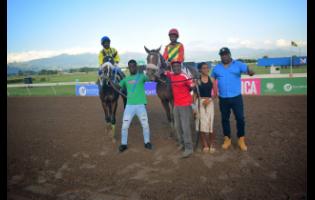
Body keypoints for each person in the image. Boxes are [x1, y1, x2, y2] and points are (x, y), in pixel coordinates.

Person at [211, 47, 255, 151]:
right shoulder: (217, 68)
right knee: (224, 119)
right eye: (222, 55)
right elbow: (212, 79)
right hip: (223, 99)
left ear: (230, 54)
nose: (224, 56)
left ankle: (241, 139)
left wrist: (250, 71)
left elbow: (248, 70)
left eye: (226, 54)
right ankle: (227, 139)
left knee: (240, 118)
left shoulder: (238, 64)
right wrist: (215, 91)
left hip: (236, 98)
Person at [118, 60, 152, 152]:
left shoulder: (142, 77)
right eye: (130, 66)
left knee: (145, 125)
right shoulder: (126, 79)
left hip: (141, 106)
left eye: (133, 66)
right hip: (129, 106)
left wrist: (149, 69)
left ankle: (147, 142)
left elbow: (150, 78)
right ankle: (123, 144)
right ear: (128, 68)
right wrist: (109, 81)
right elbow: (117, 86)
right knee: (125, 126)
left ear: (136, 67)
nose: (132, 68)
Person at [165, 61, 196, 158]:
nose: (176, 68)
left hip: (185, 105)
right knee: (177, 126)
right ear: (172, 68)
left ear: (180, 67)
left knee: (185, 127)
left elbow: (192, 86)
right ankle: (181, 143)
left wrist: (193, 85)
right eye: (174, 66)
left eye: (178, 66)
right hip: (176, 105)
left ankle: (189, 148)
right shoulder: (171, 75)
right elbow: (162, 71)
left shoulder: (185, 76)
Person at [193, 62, 218, 154]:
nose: (206, 69)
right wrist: (194, 107)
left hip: (209, 102)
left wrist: (209, 100)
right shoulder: (197, 81)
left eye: (207, 68)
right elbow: (195, 95)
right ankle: (205, 144)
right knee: (201, 124)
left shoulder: (212, 79)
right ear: (199, 70)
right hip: (199, 102)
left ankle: (211, 143)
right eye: (203, 68)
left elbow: (215, 94)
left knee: (210, 123)